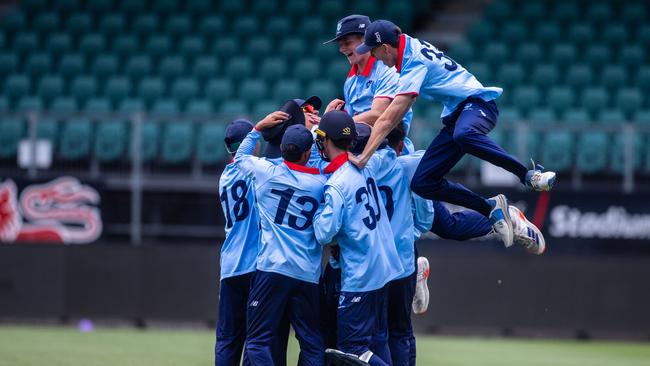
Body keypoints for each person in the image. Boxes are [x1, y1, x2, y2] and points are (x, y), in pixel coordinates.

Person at [350, 19, 557, 248]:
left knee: (464, 135)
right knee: (422, 183)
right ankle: (491, 208)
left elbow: (387, 119)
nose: (376, 58)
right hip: (456, 115)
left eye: (374, 52)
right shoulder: (407, 46)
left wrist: (362, 158)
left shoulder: (413, 62)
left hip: (478, 104)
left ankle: (528, 175)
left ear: (385, 48)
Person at [235, 112, 327, 365]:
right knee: (312, 342)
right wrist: (321, 123)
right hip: (307, 273)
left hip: (272, 268)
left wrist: (257, 128)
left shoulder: (266, 172)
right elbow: (319, 160)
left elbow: (240, 157)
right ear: (307, 153)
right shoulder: (321, 183)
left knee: (257, 340)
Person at [313, 110, 403, 366]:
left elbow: (323, 233)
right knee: (377, 341)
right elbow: (387, 150)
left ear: (326, 140)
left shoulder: (337, 184)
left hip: (361, 276)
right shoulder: (366, 164)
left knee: (353, 349)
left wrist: (317, 213)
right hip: (385, 268)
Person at [323, 14, 415, 154]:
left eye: (347, 43)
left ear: (365, 40)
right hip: (362, 149)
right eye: (340, 44)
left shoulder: (387, 71)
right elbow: (352, 124)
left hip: (392, 150)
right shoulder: (350, 81)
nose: (341, 49)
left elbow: (378, 114)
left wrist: (334, 123)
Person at [215, 119, 261, 366]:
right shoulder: (259, 171)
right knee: (255, 339)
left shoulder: (225, 176)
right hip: (254, 265)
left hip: (230, 266)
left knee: (227, 339)